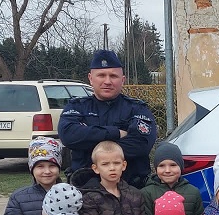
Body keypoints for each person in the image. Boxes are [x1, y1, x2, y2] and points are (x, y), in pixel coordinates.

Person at [58, 49, 158, 188]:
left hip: (131, 190)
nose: (107, 81)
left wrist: (88, 141)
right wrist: (116, 133)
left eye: (113, 76)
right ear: (90, 78)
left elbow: (141, 145)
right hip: (85, 189)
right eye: (101, 75)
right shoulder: (77, 107)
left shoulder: (137, 109)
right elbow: (68, 136)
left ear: (122, 80)